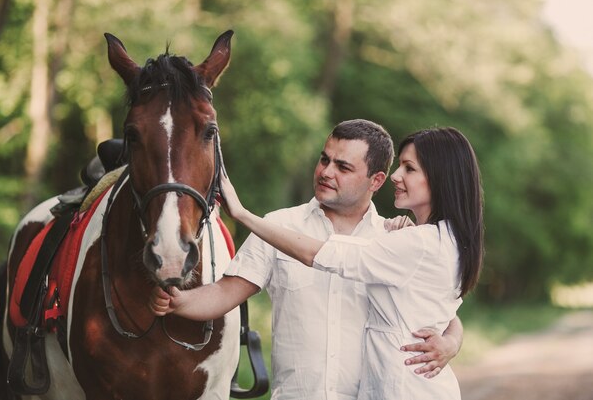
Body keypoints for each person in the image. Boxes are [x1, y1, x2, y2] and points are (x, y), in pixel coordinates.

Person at [149, 120, 465, 400]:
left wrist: (451, 341)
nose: (326, 172)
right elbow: (224, 293)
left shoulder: (393, 239)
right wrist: (178, 300)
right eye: (324, 159)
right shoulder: (279, 227)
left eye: (343, 167)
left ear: (377, 180)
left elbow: (435, 308)